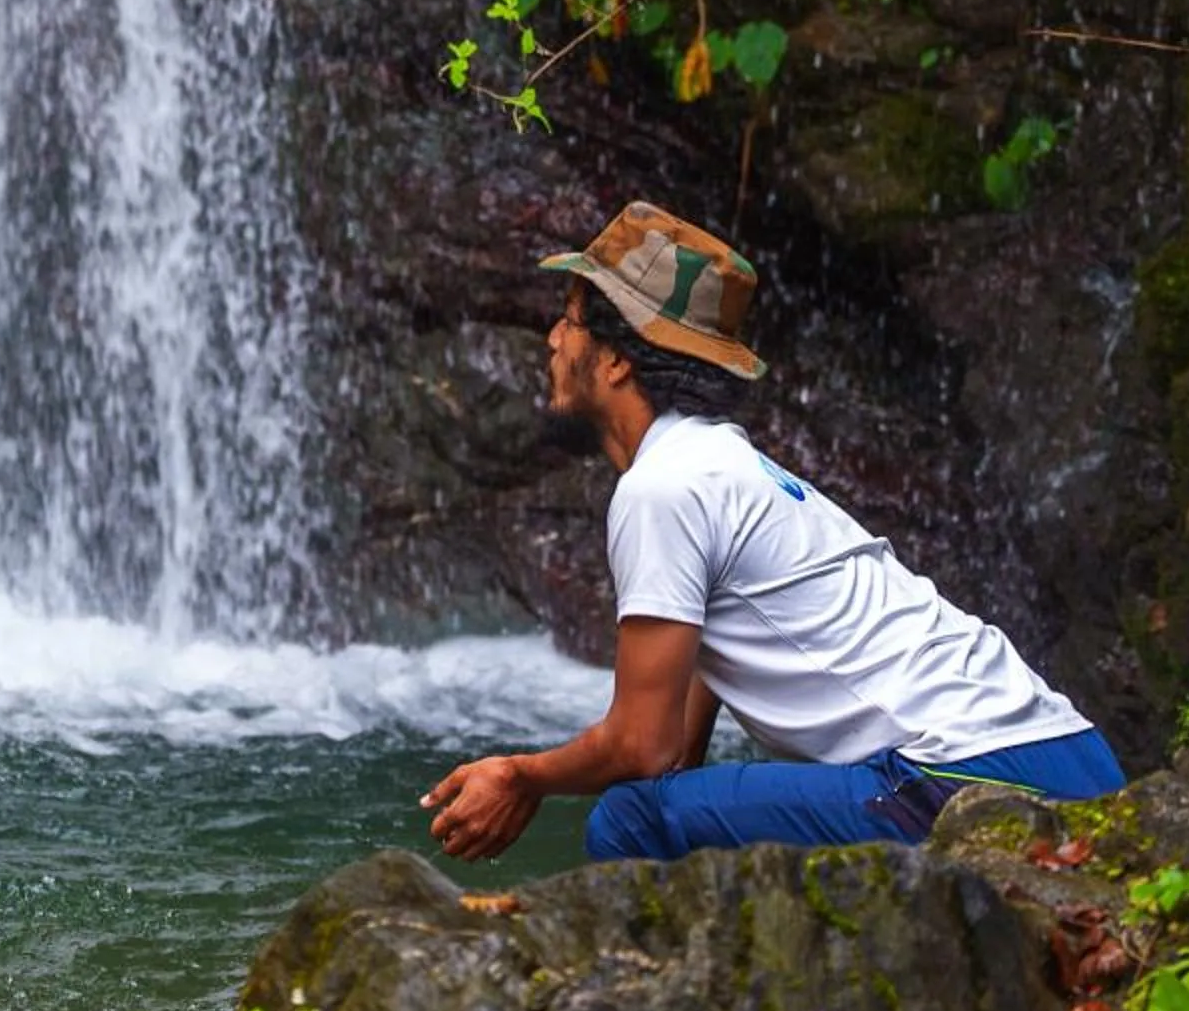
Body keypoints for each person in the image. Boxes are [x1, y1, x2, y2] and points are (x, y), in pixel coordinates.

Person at [421, 201, 1124, 862]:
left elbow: (639, 745)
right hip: (1074, 760)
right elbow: (668, 756)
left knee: (627, 821)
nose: (551, 337)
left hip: (973, 777)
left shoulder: (664, 488)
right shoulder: (731, 466)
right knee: (649, 807)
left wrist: (521, 775)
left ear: (615, 357)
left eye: (570, 319)